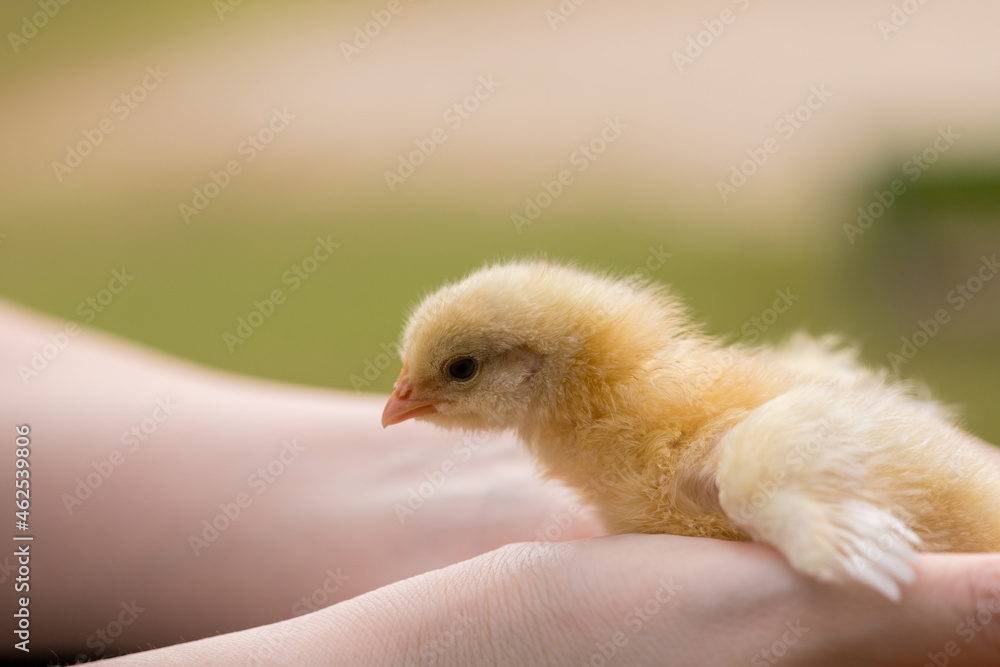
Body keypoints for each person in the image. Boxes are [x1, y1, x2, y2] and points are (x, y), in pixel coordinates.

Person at [4, 299, 1000, 666]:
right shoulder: (647, 420)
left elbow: (798, 421)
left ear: (543, 364)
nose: (402, 398)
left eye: (457, 372)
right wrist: (423, 643)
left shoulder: (685, 428)